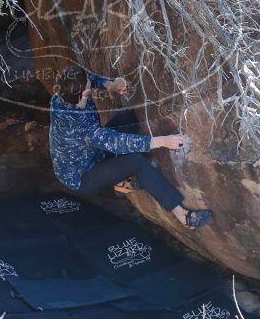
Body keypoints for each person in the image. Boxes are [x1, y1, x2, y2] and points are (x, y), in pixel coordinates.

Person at [49, 64, 212, 229]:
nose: (90, 83)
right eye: (88, 88)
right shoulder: (78, 126)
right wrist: (162, 141)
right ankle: (184, 216)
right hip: (82, 176)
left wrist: (110, 84)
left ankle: (121, 186)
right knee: (136, 162)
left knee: (128, 117)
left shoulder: (61, 95)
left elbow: (89, 78)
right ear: (83, 93)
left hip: (91, 152)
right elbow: (118, 143)